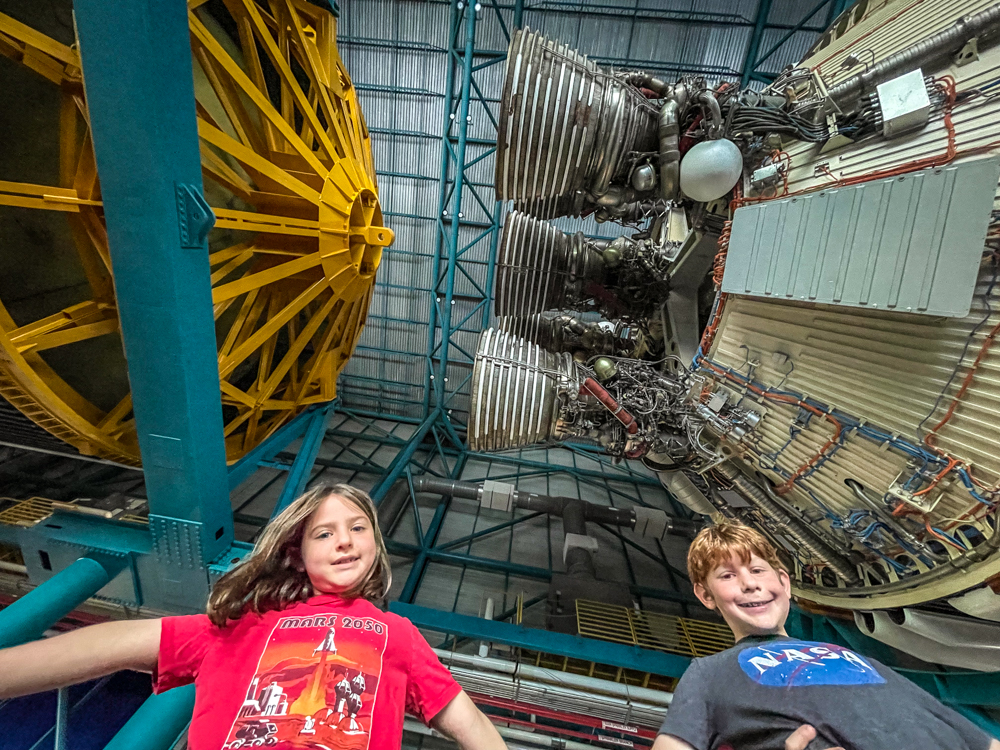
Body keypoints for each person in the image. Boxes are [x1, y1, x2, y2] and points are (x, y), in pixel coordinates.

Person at [0, 483, 508, 750]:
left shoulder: (395, 634)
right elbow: (114, 642)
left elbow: (467, 721)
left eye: (358, 528)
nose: (345, 541)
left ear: (375, 545)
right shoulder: (247, 623)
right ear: (296, 552)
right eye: (324, 533)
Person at [653, 523, 1000, 750]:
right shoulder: (708, 674)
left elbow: (979, 739)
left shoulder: (853, 656)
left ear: (785, 584)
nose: (749, 583)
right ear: (706, 596)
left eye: (758, 570)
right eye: (728, 575)